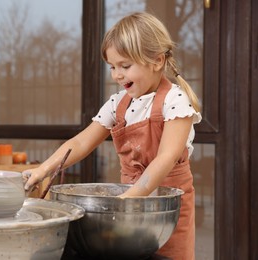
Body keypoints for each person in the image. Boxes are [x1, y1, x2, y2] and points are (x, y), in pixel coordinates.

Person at [23, 12, 201, 260]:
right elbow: (80, 142)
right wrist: (41, 171)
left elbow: (166, 158)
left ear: (157, 61)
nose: (117, 75)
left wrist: (127, 200)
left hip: (166, 213)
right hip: (129, 208)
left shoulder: (175, 101)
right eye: (112, 67)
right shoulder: (118, 104)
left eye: (125, 66)